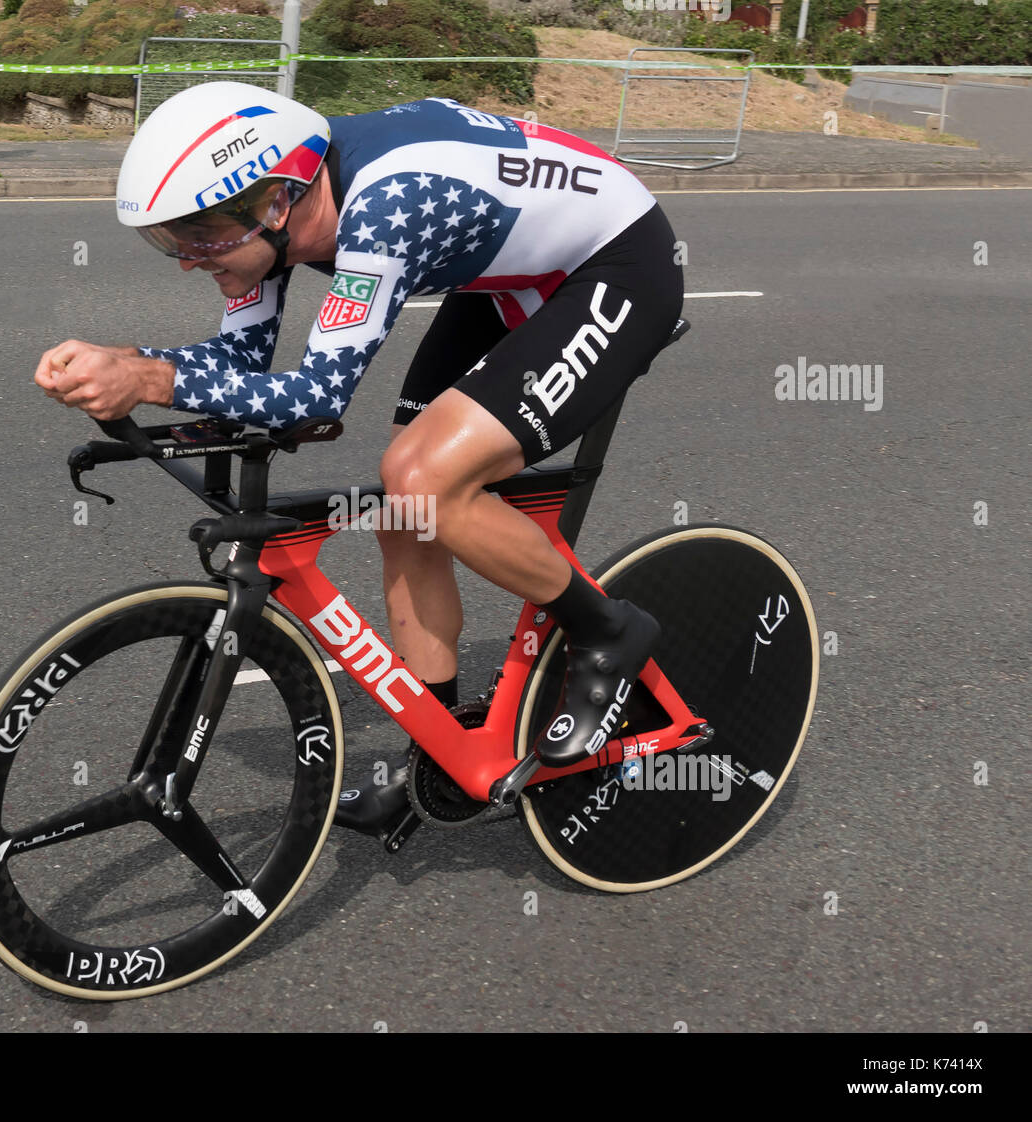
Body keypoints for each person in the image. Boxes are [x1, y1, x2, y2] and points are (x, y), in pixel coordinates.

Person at [34, 82, 684, 836]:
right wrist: (127, 362)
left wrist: (147, 379)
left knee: (425, 480)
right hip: (506, 273)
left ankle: (606, 629)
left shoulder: (384, 206)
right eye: (173, 239)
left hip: (614, 269)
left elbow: (315, 399)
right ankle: (439, 757)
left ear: (276, 203)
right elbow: (243, 360)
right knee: (403, 510)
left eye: (200, 234)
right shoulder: (279, 214)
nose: (187, 259)